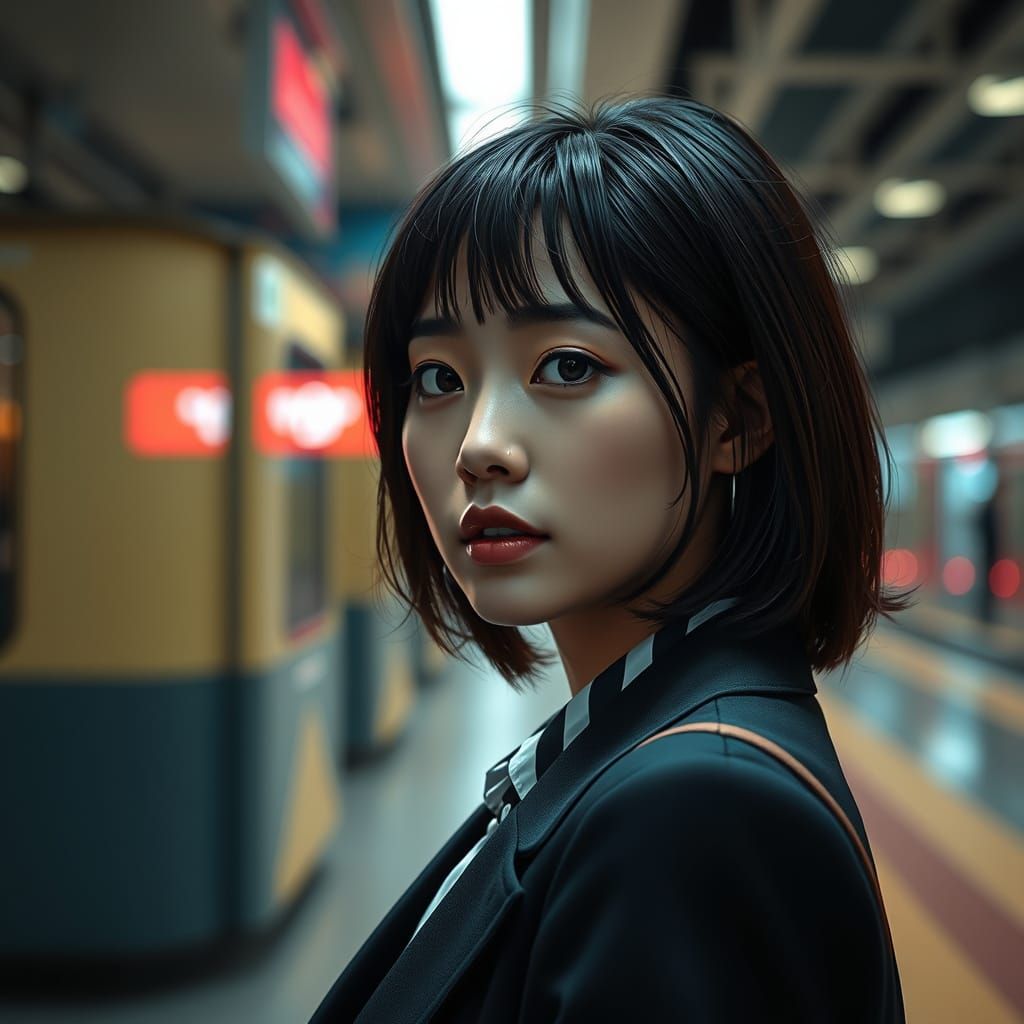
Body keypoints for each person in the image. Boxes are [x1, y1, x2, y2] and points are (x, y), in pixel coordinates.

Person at [310, 94, 914, 1023]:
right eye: (438, 378)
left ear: (738, 419)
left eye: (567, 366)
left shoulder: (695, 810)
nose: (478, 445)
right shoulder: (643, 740)